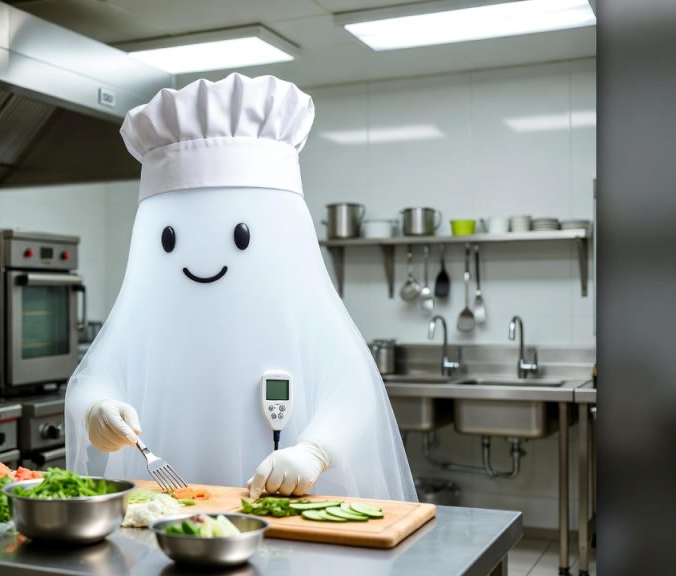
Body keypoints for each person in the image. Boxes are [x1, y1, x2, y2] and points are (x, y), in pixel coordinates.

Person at [64, 73, 416, 501]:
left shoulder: (298, 310)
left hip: (281, 508)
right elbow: (95, 376)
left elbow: (354, 390)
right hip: (162, 509)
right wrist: (97, 409)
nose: (202, 258)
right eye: (170, 238)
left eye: (239, 235)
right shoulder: (152, 314)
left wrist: (315, 450)